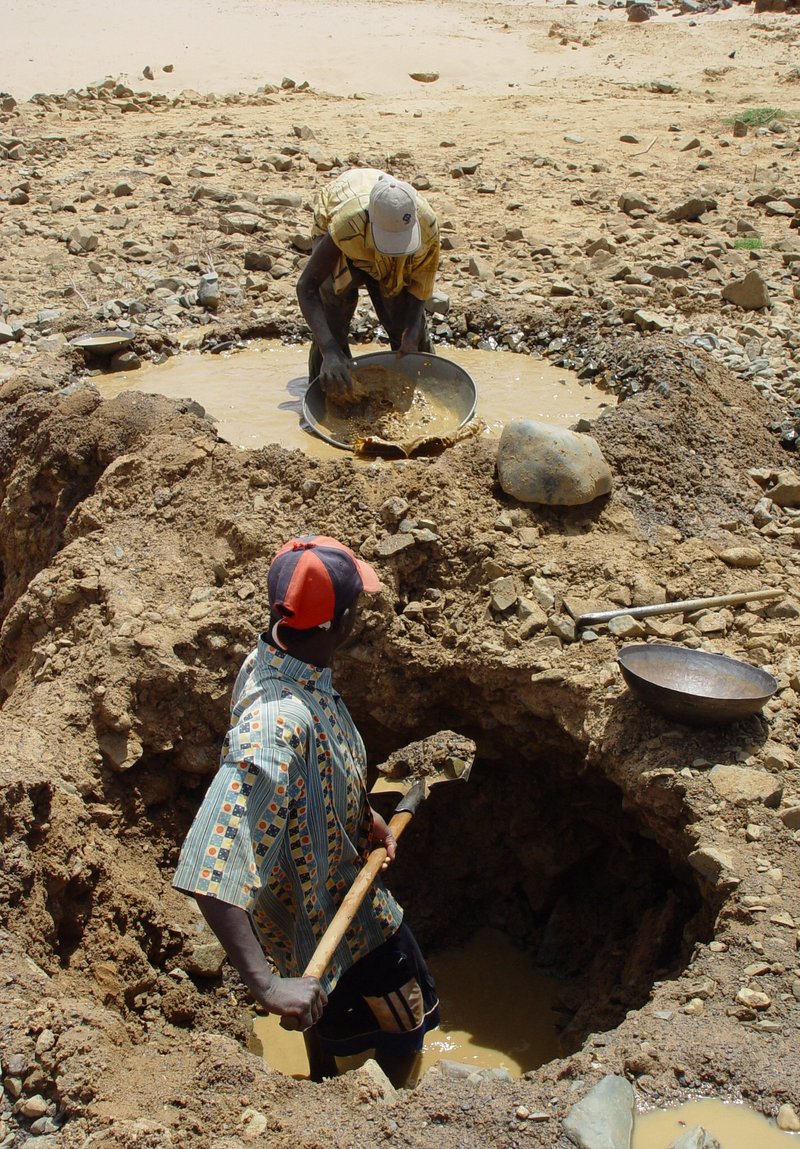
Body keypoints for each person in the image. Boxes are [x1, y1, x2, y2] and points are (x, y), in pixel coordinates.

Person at [173, 535, 439, 1084]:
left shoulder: (278, 655)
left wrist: (360, 818)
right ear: (336, 625)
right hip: (340, 924)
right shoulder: (276, 728)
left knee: (329, 1025)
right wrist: (268, 987)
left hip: (321, 905)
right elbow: (207, 863)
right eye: (356, 609)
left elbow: (314, 772)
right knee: (404, 1023)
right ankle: (389, 1110)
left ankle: (328, 1075)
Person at [296, 168, 440, 401]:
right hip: (347, 238)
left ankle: (423, 396)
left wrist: (412, 330)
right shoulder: (346, 224)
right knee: (333, 322)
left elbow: (421, 282)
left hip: (384, 237)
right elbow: (306, 286)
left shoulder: (426, 226)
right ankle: (327, 402)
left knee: (408, 330)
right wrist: (330, 350)